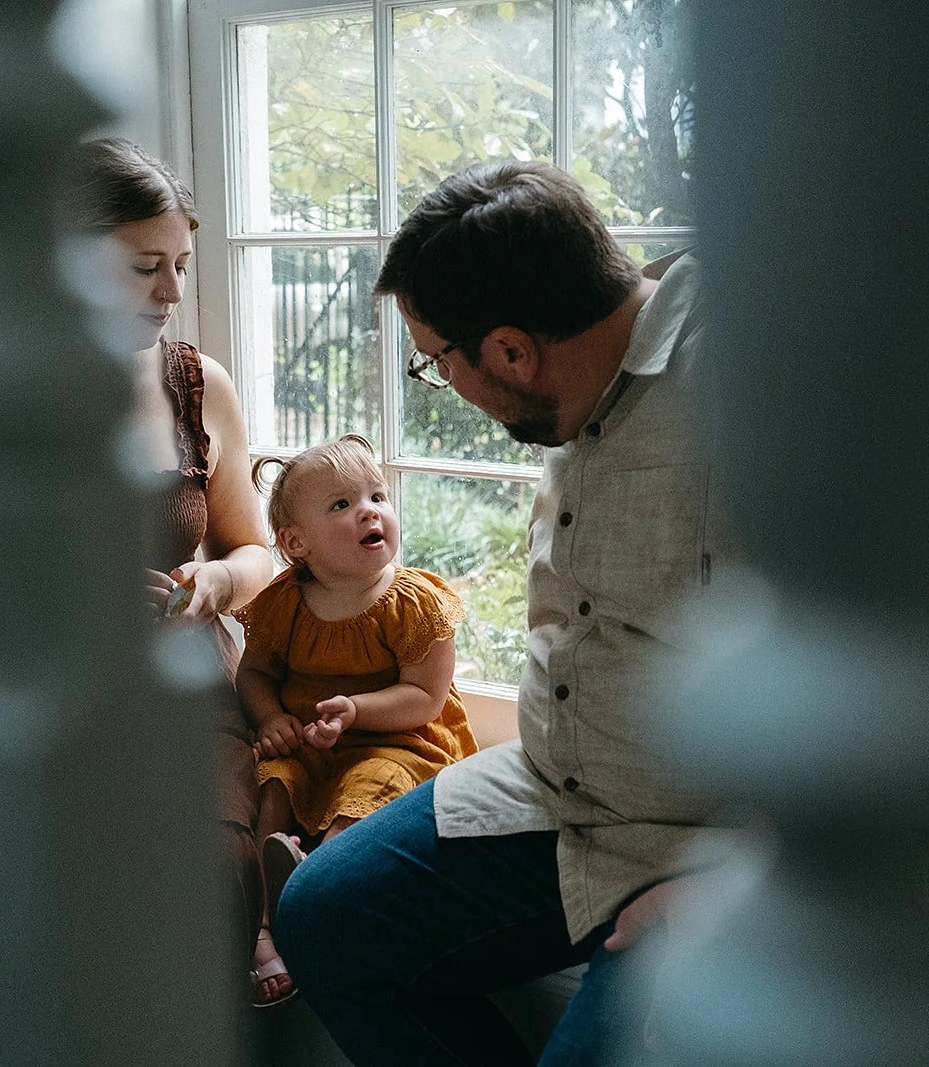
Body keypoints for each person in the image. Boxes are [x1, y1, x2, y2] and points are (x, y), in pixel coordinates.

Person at [273, 161, 734, 1065]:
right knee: (322, 916)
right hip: (553, 791)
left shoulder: (747, 397)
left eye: (438, 361)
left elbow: (910, 669)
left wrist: (743, 878)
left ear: (513, 352)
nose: (443, 383)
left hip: (712, 842)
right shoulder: (579, 396)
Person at [61, 137, 277, 1002]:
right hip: (66, 695)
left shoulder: (194, 385)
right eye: (146, 266)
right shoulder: (12, 393)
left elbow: (254, 550)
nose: (174, 292)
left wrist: (213, 587)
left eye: (181, 263)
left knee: (210, 873)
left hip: (189, 691)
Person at [232, 433, 479, 1008]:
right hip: (311, 744)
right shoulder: (283, 602)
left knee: (375, 785)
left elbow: (425, 696)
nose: (370, 510)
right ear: (297, 543)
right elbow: (255, 673)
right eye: (342, 505)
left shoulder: (412, 601)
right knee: (275, 781)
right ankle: (267, 917)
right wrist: (270, 718)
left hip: (399, 740)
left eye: (377, 496)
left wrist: (357, 710)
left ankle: (321, 881)